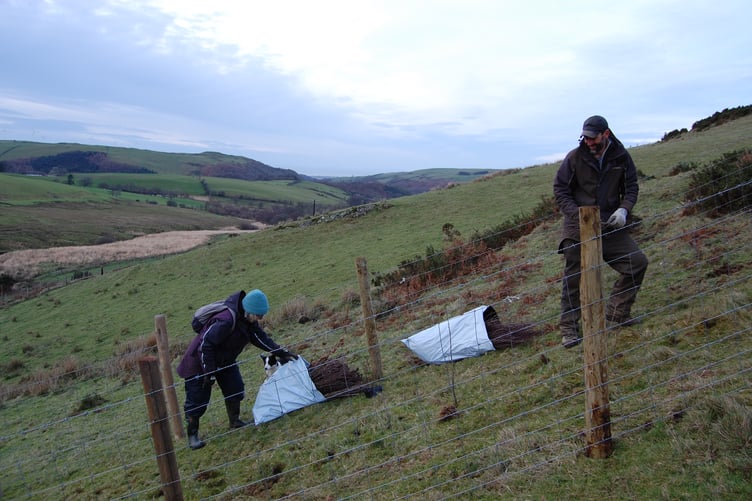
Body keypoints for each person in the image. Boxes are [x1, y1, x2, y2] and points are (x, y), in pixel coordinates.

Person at [553, 115, 649, 349]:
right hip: (578, 226)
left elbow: (631, 187)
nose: (588, 142)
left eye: (592, 137)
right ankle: (569, 329)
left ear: (605, 134)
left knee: (637, 263)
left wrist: (624, 210)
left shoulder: (621, 157)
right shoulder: (575, 158)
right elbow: (560, 189)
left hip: (609, 225)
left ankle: (617, 314)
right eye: (585, 137)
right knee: (574, 275)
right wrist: (578, 214)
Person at [177, 289, 298, 449]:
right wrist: (209, 372)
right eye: (258, 315)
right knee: (197, 400)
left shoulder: (249, 322)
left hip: (225, 360)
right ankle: (193, 436)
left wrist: (282, 352)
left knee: (235, 388)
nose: (260, 319)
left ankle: (234, 421)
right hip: (200, 363)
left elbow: (260, 339)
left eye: (261, 315)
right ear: (248, 310)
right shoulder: (226, 320)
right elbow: (205, 345)